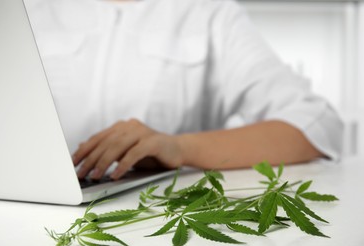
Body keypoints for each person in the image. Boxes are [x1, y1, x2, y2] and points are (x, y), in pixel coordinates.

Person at [24, 0, 343, 181]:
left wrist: (179, 147)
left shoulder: (211, 14)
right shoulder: (27, 9)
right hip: (25, 215)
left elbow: (316, 125)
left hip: (161, 222)